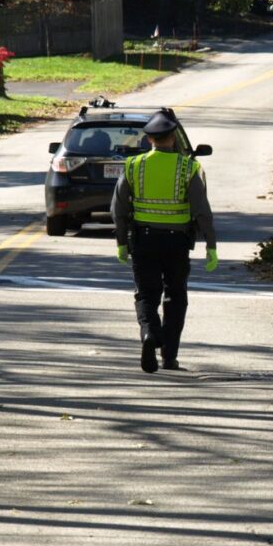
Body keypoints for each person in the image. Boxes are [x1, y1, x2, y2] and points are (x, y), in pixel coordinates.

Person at [111, 111, 217, 373]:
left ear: (149, 140)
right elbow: (201, 211)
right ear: (173, 138)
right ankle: (169, 356)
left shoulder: (133, 166)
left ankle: (149, 333)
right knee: (175, 296)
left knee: (146, 294)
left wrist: (121, 242)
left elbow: (119, 209)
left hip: (143, 240)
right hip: (177, 243)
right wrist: (211, 245)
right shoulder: (189, 168)